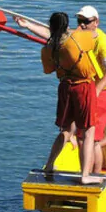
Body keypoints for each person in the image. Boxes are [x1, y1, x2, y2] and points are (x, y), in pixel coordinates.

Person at [39, 12, 100, 183]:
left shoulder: (48, 48)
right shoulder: (77, 38)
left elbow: (48, 70)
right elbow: (94, 34)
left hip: (65, 87)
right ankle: (85, 175)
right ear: (67, 25)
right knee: (88, 132)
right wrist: (77, 29)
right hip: (83, 86)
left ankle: (50, 164)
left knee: (66, 130)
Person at [75, 6, 106, 173]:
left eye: (85, 22)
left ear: (96, 22)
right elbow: (56, 35)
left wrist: (97, 90)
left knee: (89, 138)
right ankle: (89, 173)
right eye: (79, 21)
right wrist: (28, 26)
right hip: (94, 91)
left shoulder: (104, 42)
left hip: (104, 92)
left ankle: (91, 174)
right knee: (86, 138)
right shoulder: (81, 36)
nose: (81, 25)